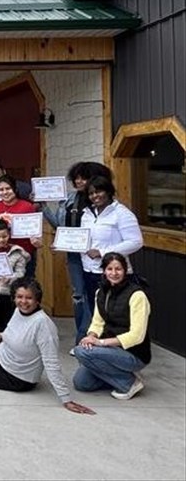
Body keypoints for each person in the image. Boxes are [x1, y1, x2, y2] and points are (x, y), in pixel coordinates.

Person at [0, 278, 95, 415]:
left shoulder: (43, 325)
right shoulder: (18, 311)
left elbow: (51, 363)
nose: (23, 302)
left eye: (29, 298)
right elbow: (10, 333)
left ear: (38, 300)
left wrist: (66, 399)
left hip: (17, 376)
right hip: (3, 352)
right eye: (19, 297)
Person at [42, 161, 113, 348]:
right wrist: (42, 207)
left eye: (84, 177)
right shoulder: (70, 199)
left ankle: (90, 336)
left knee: (97, 295)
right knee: (79, 295)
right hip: (75, 254)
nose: (80, 181)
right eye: (76, 178)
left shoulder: (103, 201)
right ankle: (82, 336)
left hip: (97, 257)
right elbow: (59, 225)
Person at [74, 253, 151, 400]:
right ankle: (119, 375)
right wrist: (91, 336)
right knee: (81, 383)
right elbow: (97, 322)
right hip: (109, 350)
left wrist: (100, 343)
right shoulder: (101, 292)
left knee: (81, 352)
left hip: (133, 353)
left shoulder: (137, 295)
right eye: (109, 269)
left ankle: (129, 383)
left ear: (125, 270)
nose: (114, 273)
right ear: (104, 271)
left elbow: (137, 335)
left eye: (118, 269)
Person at [79, 176, 143, 345]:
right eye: (91, 193)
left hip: (113, 273)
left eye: (98, 191)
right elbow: (83, 240)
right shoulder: (86, 213)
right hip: (89, 271)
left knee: (115, 315)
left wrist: (103, 252)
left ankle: (112, 348)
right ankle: (93, 344)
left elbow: (136, 242)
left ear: (108, 191)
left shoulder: (122, 213)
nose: (95, 196)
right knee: (95, 313)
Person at [0, 175, 41, 277]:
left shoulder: (27, 207)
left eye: (8, 188)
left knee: (24, 286)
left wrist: (37, 241)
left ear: (14, 189)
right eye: (1, 190)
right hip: (0, 255)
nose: (5, 192)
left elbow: (35, 231)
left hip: (24, 253)